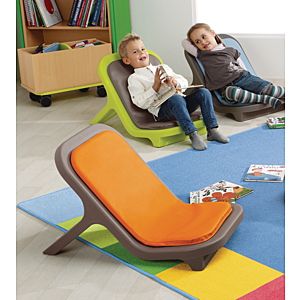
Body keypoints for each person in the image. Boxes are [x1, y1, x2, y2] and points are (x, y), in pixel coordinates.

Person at [118, 33, 229, 151]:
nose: (141, 53)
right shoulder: (134, 79)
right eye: (135, 52)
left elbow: (184, 82)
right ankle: (192, 134)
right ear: (126, 60)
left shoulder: (162, 67)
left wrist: (175, 82)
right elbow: (140, 102)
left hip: (181, 103)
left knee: (204, 92)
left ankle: (212, 130)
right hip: (163, 111)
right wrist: (155, 86)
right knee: (176, 99)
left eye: (143, 49)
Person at [182, 23, 285, 109]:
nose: (203, 42)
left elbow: (242, 66)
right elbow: (184, 43)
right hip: (224, 86)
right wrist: (193, 39)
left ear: (213, 33)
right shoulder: (201, 54)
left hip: (242, 77)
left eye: (204, 37)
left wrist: (251, 79)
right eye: (197, 42)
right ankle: (264, 99)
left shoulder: (229, 50)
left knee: (269, 89)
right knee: (232, 93)